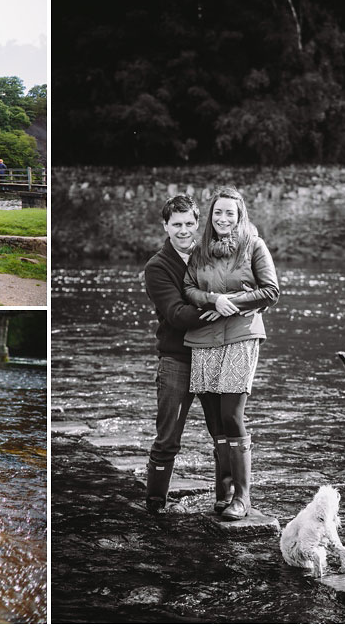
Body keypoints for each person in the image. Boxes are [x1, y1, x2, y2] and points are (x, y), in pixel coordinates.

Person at [183, 186, 279, 520]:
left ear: (239, 217)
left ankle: (243, 497)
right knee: (213, 421)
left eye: (230, 213)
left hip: (241, 335)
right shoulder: (199, 252)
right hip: (204, 338)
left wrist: (230, 304)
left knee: (231, 415)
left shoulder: (254, 246)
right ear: (211, 216)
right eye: (218, 212)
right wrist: (212, 300)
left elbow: (271, 291)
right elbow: (188, 288)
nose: (223, 219)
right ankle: (221, 493)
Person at [143, 195, 217, 513]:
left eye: (189, 224)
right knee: (168, 437)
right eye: (177, 225)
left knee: (224, 431)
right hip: (176, 360)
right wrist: (220, 307)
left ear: (197, 224)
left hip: (215, 356)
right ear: (165, 226)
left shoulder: (210, 257)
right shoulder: (158, 267)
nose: (183, 231)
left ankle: (227, 499)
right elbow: (175, 314)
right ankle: (156, 504)